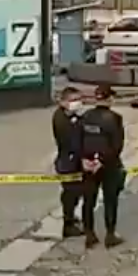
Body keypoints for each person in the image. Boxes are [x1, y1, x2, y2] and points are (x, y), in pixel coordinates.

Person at [77, 85, 127, 248]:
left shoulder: (85, 116)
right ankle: (110, 235)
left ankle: (89, 235)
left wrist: (85, 159)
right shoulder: (114, 118)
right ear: (110, 98)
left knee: (88, 200)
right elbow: (117, 145)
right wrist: (102, 161)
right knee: (110, 200)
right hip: (109, 166)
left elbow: (78, 141)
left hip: (88, 165)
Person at [52, 87, 87, 238]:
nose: (77, 103)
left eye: (79, 100)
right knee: (71, 193)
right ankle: (68, 224)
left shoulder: (71, 116)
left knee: (76, 192)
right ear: (63, 102)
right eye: (73, 100)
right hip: (68, 162)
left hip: (71, 161)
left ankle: (71, 217)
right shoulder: (62, 120)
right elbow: (73, 142)